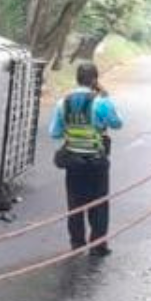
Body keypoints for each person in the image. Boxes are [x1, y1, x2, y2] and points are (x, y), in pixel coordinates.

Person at [49, 62, 123, 256]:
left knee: (74, 204)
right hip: (97, 161)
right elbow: (117, 124)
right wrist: (106, 96)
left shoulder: (62, 103)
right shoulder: (101, 102)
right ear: (94, 80)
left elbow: (54, 133)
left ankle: (77, 243)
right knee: (98, 203)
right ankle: (98, 246)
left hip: (73, 161)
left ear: (77, 79)